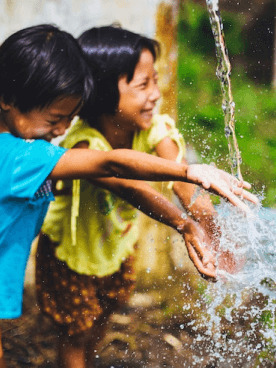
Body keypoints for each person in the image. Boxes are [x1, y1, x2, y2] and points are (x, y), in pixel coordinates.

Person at [0, 24, 257, 368]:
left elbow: (171, 170)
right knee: (70, 335)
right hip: (70, 255)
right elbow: (117, 170)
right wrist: (187, 182)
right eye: (55, 118)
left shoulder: (146, 128)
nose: (60, 131)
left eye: (67, 118)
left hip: (109, 248)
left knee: (96, 322)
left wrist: (206, 222)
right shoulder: (32, 153)